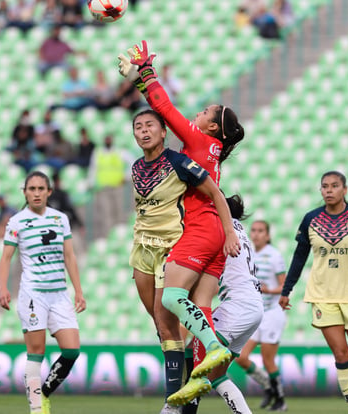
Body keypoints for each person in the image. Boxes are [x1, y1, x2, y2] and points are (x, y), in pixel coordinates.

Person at [119, 40, 244, 403]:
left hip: (201, 228)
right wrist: (139, 82)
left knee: (172, 300)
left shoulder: (199, 142)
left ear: (214, 127)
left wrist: (146, 73)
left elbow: (166, 111)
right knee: (199, 308)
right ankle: (196, 384)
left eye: (206, 111)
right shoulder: (211, 150)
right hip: (215, 235)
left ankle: (213, 349)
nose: (199, 114)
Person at [0, 170, 86, 414]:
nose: (36, 193)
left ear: (49, 192)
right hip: (33, 295)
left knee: (72, 350)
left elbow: (70, 255)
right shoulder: (16, 221)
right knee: (36, 351)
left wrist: (78, 291)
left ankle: (45, 392)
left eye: (40, 189)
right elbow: (6, 257)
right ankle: (36, 409)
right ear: (25, 192)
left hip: (59, 294)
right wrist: (3, 288)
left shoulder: (60, 218)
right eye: (31, 189)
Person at [279, 171, 348, 414]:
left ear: (344, 189)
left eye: (335, 186)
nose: (329, 190)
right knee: (341, 354)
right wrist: (287, 289)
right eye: (325, 186)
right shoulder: (310, 219)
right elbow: (299, 256)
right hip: (323, 297)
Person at [182, 194, 264, 413]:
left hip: (238, 306)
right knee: (216, 375)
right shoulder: (240, 232)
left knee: (197, 358)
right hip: (253, 306)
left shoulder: (220, 229)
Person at [234, 220, 287, 411]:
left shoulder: (274, 256)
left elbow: (284, 286)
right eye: (253, 230)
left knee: (268, 359)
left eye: (260, 231)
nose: (256, 234)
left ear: (268, 235)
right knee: (240, 357)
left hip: (273, 313)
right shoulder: (247, 252)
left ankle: (280, 399)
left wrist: (268, 290)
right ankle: (268, 386)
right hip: (256, 312)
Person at [88, 134, 132, 238]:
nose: (108, 140)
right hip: (103, 188)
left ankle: (122, 237)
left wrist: (126, 177)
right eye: (106, 138)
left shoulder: (120, 151)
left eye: (109, 137)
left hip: (118, 187)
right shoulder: (98, 152)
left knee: (120, 212)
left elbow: (133, 163)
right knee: (106, 214)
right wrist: (91, 183)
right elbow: (93, 169)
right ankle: (109, 238)